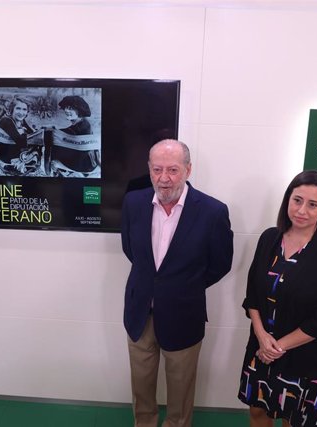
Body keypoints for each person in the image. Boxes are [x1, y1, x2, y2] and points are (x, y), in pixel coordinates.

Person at [121, 139, 234, 427]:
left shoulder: (212, 211)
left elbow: (220, 264)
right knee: (141, 390)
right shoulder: (134, 202)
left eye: (172, 170)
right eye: (157, 169)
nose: (164, 178)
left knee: (180, 396)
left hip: (184, 315)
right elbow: (131, 251)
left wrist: (183, 287)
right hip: (140, 314)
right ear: (149, 169)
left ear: (188, 169)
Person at [237, 170, 317, 427]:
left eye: (313, 204)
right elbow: (253, 296)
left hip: (304, 357)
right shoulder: (269, 239)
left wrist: (278, 347)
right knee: (258, 411)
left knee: (294, 420)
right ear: (287, 199)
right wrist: (262, 337)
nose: (302, 210)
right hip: (261, 347)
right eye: (297, 200)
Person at [51, 95, 100, 175]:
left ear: (79, 111)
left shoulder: (83, 125)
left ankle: (60, 167)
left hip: (85, 163)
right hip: (84, 159)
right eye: (66, 108)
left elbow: (68, 134)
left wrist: (54, 131)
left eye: (70, 108)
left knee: (55, 142)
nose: (66, 110)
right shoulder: (80, 122)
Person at [0, 97, 35, 164]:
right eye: (18, 108)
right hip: (6, 156)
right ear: (12, 109)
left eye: (24, 109)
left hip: (15, 151)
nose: (21, 112)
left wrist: (23, 132)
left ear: (27, 111)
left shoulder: (21, 120)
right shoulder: (6, 121)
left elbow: (32, 133)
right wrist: (23, 133)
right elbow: (20, 141)